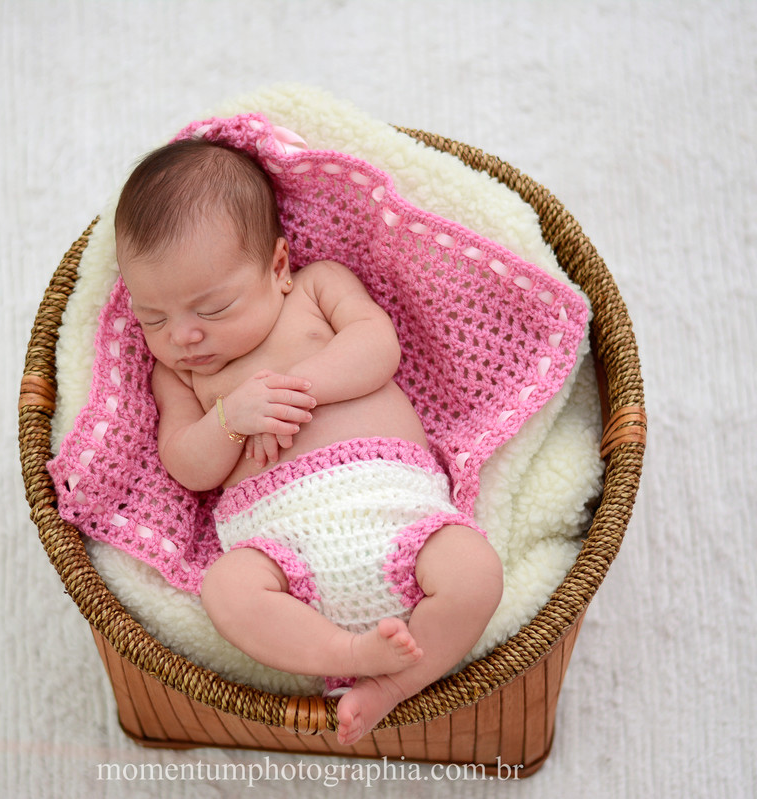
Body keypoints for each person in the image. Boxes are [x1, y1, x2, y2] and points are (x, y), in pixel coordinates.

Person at [114, 138, 503, 746]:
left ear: (277, 267)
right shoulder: (183, 374)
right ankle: (346, 652)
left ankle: (395, 685)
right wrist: (231, 419)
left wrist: (298, 390)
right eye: (153, 318)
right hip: (279, 547)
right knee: (226, 590)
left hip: (396, 511)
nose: (184, 336)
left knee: (475, 571)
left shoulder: (320, 289)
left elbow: (379, 348)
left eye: (212, 307)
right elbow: (186, 464)